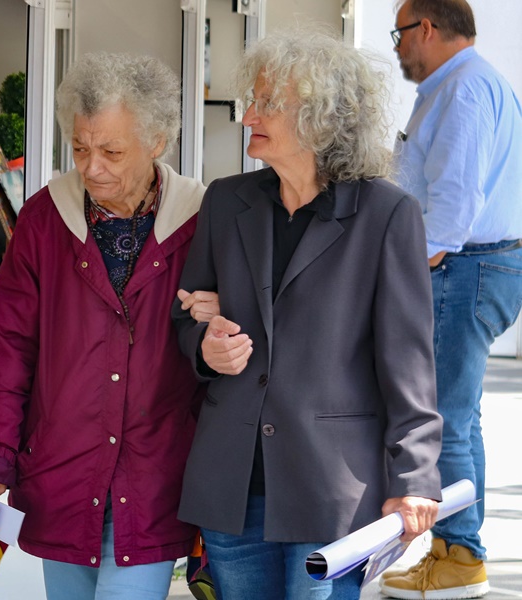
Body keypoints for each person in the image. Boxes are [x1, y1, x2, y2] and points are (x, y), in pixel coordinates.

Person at [171, 31, 444, 600]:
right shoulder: (226, 200)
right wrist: (204, 343)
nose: (248, 116)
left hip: (333, 489)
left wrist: (415, 476)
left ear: (324, 116)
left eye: (269, 104)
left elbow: (409, 362)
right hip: (232, 483)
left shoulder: (388, 216)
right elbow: (184, 316)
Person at [0, 52, 208, 600]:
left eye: (112, 151)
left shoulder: (202, 219)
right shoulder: (46, 219)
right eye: (80, 148)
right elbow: (8, 346)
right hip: (63, 471)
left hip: (155, 476)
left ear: (158, 141)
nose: (92, 167)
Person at [382, 2, 522, 598]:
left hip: (464, 268)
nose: (397, 47)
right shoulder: (463, 83)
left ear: (428, 30)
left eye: (400, 34)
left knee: (446, 421)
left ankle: (462, 557)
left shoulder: (464, 88)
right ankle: (449, 547)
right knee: (457, 415)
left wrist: (399, 272)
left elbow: (452, 208)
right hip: (475, 265)